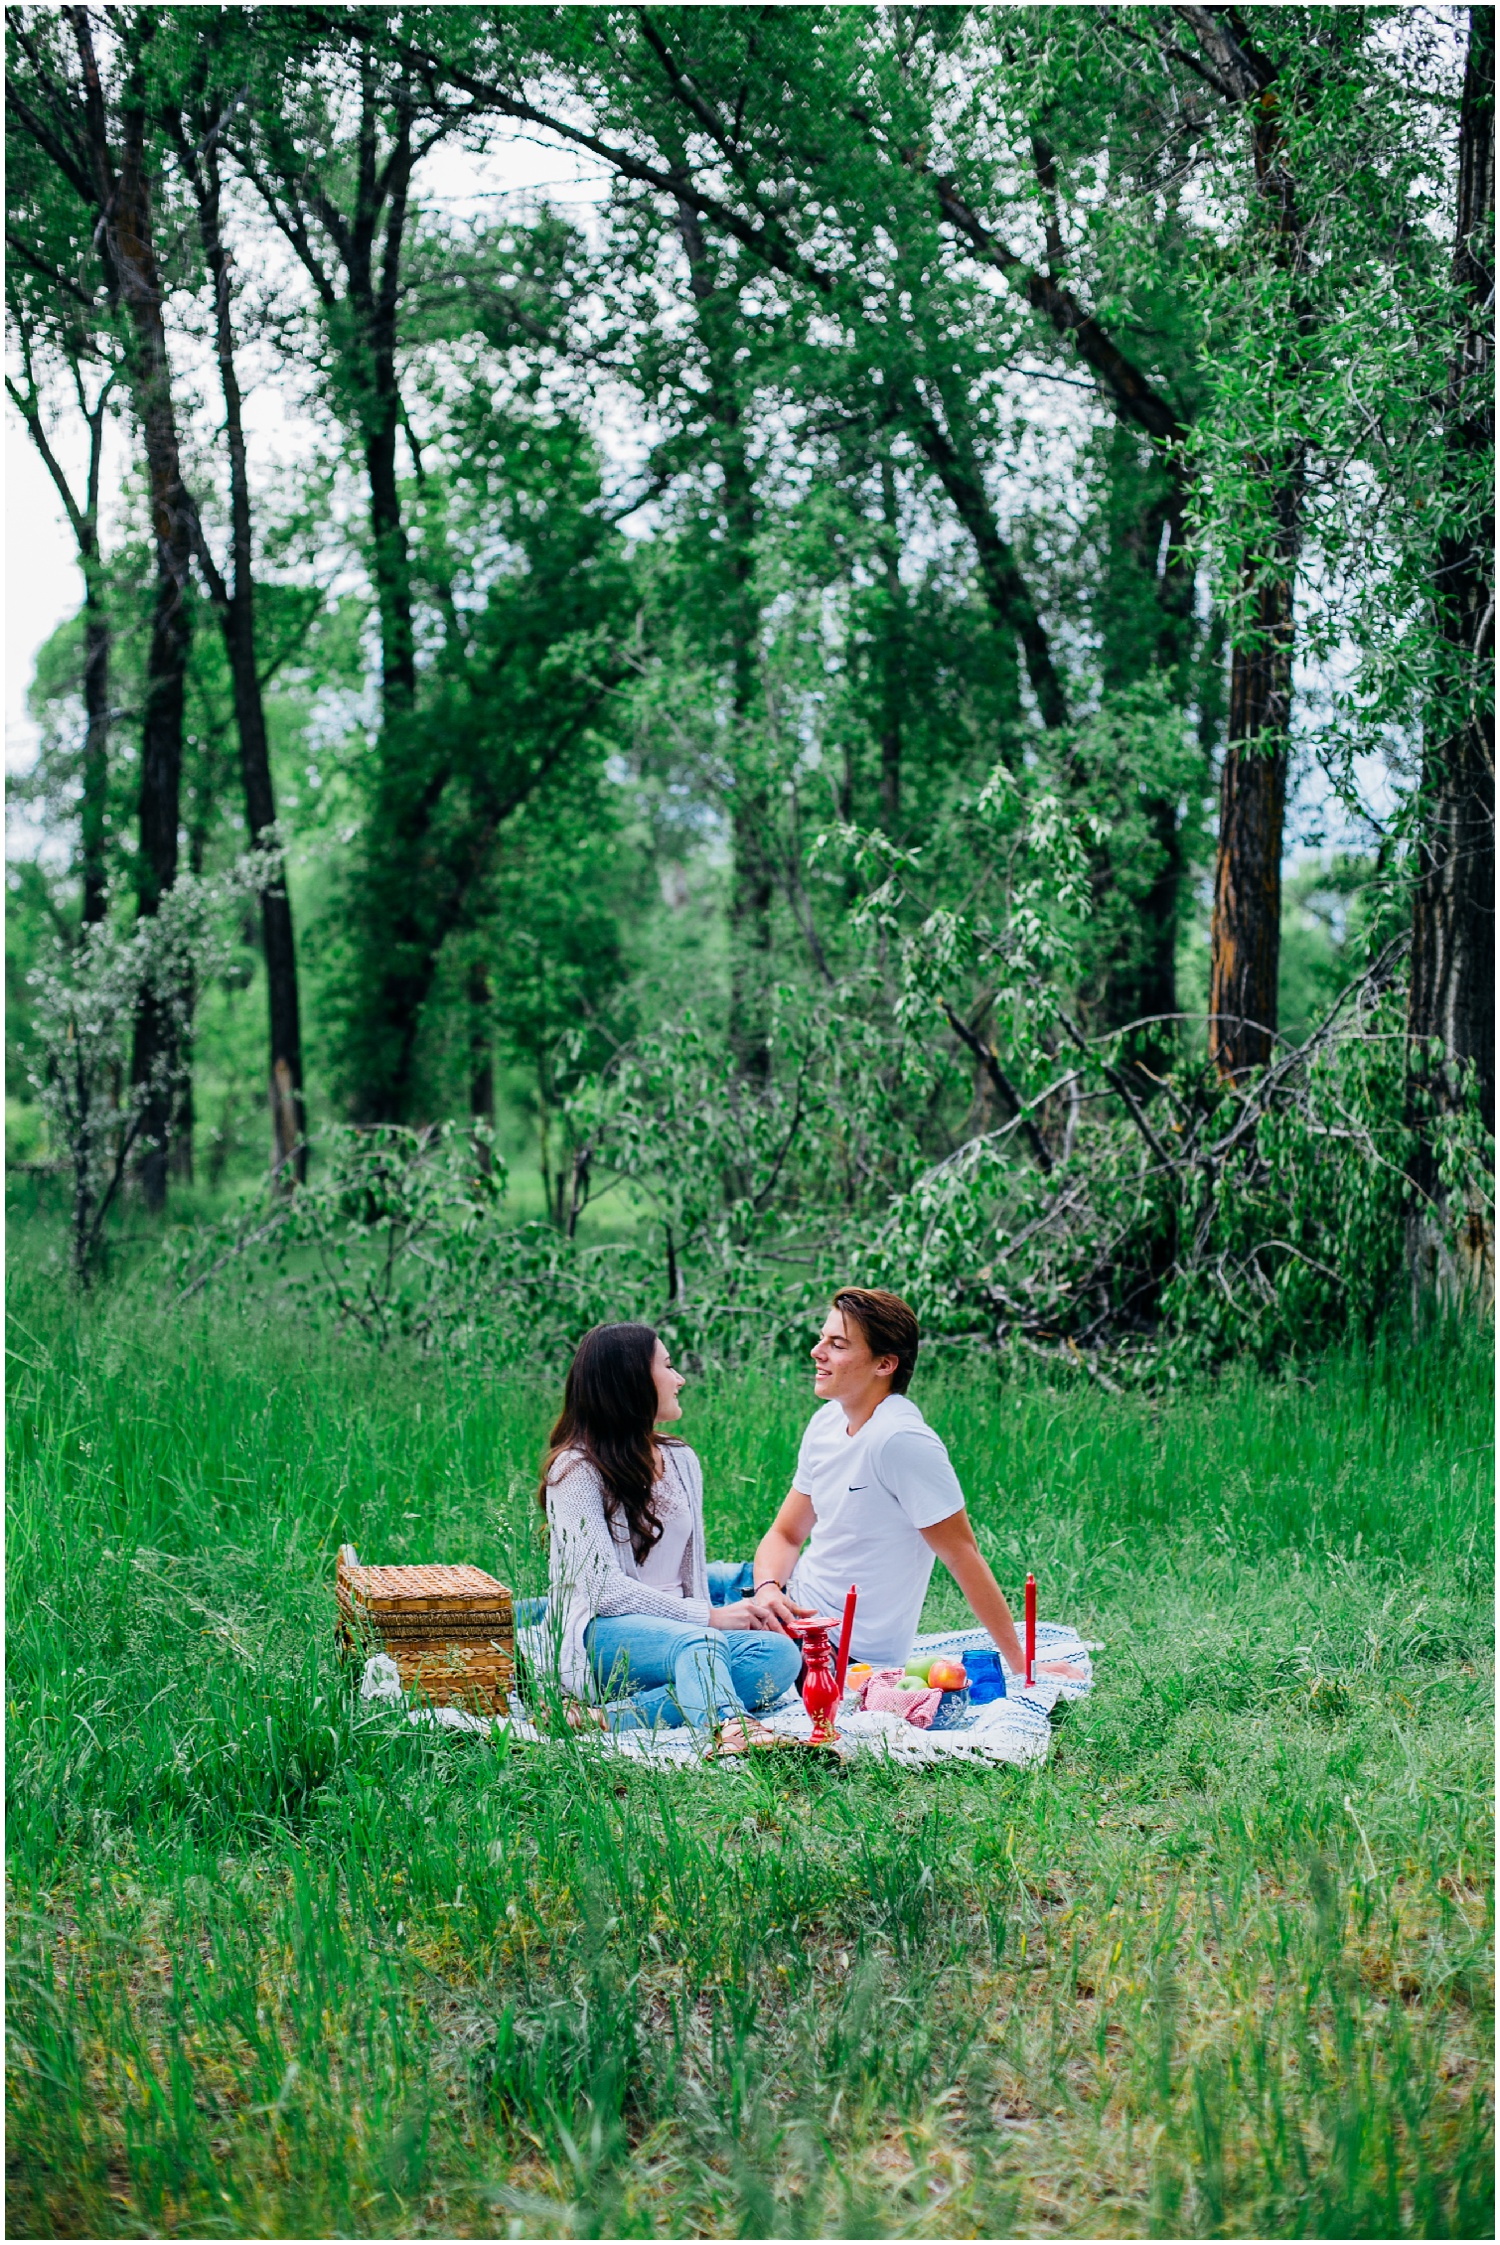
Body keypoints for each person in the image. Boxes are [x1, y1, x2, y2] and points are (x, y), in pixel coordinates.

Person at [747, 1286, 1079, 1679]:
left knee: (695, 1634)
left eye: (837, 1344)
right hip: (789, 1598)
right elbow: (786, 1536)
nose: (816, 1352)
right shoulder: (827, 1421)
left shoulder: (901, 1441)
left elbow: (962, 1555)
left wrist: (1025, 1666)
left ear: (884, 1364)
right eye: (823, 1338)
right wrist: (767, 1588)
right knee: (684, 1585)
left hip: (833, 1647)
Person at [538, 1321, 801, 1753]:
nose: (679, 1379)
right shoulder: (575, 1471)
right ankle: (732, 1729)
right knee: (699, 1642)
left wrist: (704, 1620)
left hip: (682, 1631)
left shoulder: (681, 1460)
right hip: (600, 1634)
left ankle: (603, 1719)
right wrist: (708, 1618)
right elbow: (602, 1591)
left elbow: (690, 1573)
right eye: (669, 1366)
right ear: (632, 1380)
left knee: (777, 1657)